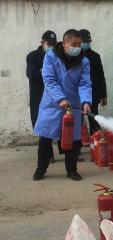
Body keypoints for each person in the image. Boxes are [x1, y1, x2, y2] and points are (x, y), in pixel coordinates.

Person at [33, 29, 92, 181]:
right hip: (52, 104)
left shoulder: (83, 61)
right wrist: (60, 99)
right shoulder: (51, 56)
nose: (77, 48)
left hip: (72, 104)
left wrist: (86, 101)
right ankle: (41, 168)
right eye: (74, 44)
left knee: (72, 140)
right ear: (64, 43)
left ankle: (71, 170)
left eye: (79, 45)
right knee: (45, 138)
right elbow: (49, 80)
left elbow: (85, 83)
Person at [26, 31, 57, 162]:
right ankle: (48, 155)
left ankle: (68, 152)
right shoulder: (32, 56)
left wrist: (42, 71)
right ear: (42, 43)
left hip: (54, 96)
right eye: (49, 43)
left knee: (60, 123)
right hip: (38, 97)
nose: (51, 46)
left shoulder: (58, 56)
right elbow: (32, 75)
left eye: (53, 44)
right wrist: (48, 73)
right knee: (44, 127)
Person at [79, 29, 107, 135]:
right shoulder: (74, 57)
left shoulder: (95, 57)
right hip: (77, 95)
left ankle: (95, 144)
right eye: (83, 42)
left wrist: (103, 95)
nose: (86, 44)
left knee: (94, 121)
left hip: (93, 95)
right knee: (77, 122)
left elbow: (101, 76)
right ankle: (77, 145)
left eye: (88, 42)